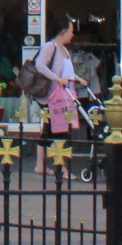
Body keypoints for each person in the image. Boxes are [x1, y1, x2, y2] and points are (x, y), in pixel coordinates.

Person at [33, 17, 81, 174]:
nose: (72, 35)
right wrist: (56, 78)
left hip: (61, 96)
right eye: (71, 31)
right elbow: (40, 65)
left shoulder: (64, 49)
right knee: (59, 130)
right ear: (63, 32)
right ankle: (62, 168)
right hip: (51, 96)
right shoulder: (50, 46)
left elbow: (67, 71)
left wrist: (78, 79)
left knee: (49, 130)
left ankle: (40, 166)